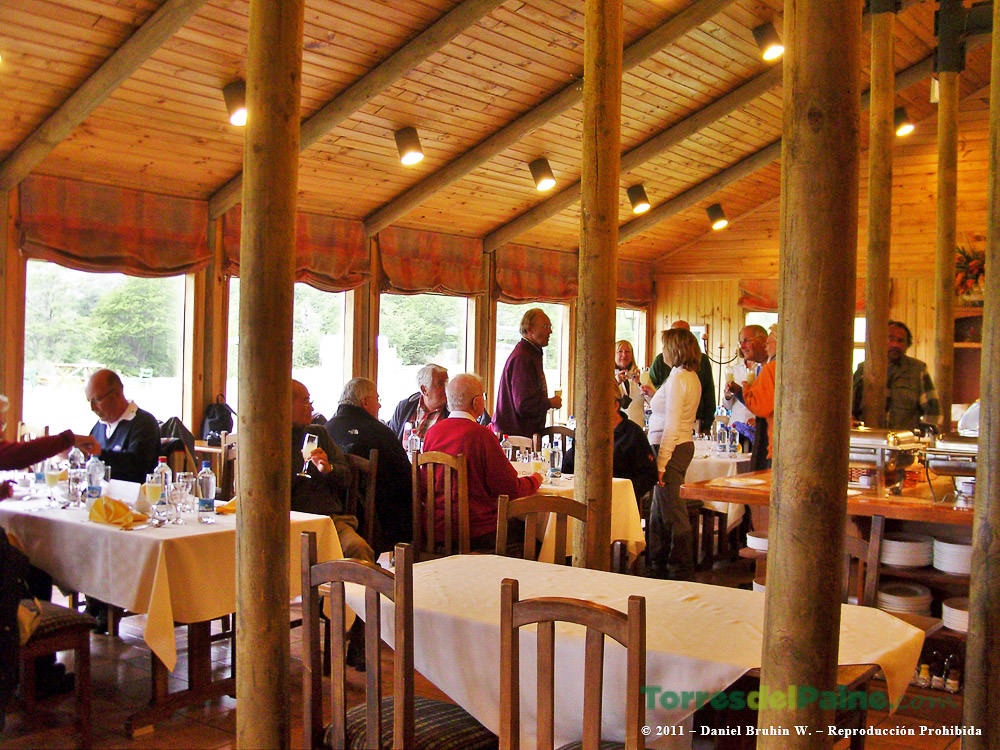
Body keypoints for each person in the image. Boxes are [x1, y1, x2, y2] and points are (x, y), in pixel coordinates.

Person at [422, 373, 542, 548]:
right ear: (477, 402)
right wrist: (534, 480)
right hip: (478, 532)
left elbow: (424, 484)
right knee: (537, 541)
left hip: (436, 530)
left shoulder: (432, 433)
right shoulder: (481, 435)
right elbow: (508, 489)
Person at [290, 380, 373, 565]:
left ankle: (368, 593)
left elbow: (346, 477)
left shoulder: (318, 434)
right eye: (305, 401)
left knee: (358, 548)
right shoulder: (271, 443)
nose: (311, 408)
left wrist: (329, 469)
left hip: (330, 522)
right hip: (290, 524)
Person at [325, 378, 412, 552]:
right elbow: (405, 477)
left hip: (337, 514)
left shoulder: (327, 428)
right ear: (365, 401)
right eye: (377, 400)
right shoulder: (380, 432)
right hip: (376, 521)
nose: (379, 406)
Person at [645, 328, 702, 580]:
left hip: (672, 446)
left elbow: (673, 424)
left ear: (675, 349)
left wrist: (662, 460)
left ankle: (681, 567)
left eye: (665, 346)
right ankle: (657, 561)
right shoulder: (687, 376)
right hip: (678, 444)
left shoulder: (679, 377)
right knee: (660, 508)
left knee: (673, 509)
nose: (662, 352)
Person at [561, 391, 658, 503]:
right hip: (584, 499)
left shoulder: (633, 434)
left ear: (616, 405)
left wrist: (624, 491)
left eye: (599, 403)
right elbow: (568, 466)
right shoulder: (585, 431)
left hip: (621, 501)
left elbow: (649, 475)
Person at [851, 320, 942, 432]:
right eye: (891, 339)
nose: (895, 344)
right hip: (868, 442)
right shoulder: (862, 370)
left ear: (907, 345)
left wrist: (924, 438)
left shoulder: (917, 370)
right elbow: (850, 410)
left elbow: (933, 412)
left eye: (900, 341)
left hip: (904, 444)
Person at [493, 308, 562, 438]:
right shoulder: (523, 358)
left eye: (550, 327)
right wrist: (550, 403)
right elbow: (523, 405)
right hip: (516, 439)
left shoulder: (530, 354)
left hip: (520, 435)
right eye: (546, 326)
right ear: (529, 329)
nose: (550, 331)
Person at [82, 369, 160, 484]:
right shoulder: (99, 427)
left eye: (97, 400)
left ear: (117, 394)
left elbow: (137, 468)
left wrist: (97, 452)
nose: (92, 408)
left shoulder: (144, 423)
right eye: (89, 401)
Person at [647, 321, 715, 434]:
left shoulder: (682, 376)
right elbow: (656, 390)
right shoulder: (662, 362)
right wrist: (652, 392)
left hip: (686, 427)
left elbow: (709, 393)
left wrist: (707, 425)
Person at [387, 363, 450, 443]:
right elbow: (390, 440)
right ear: (424, 390)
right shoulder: (405, 407)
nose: (446, 388)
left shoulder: (452, 412)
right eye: (441, 384)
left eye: (447, 383)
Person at [614, 340, 647, 428]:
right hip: (615, 430)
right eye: (620, 351)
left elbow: (654, 401)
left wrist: (639, 383)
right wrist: (615, 382)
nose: (624, 355)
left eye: (627, 352)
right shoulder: (607, 378)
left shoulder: (643, 376)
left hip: (636, 429)